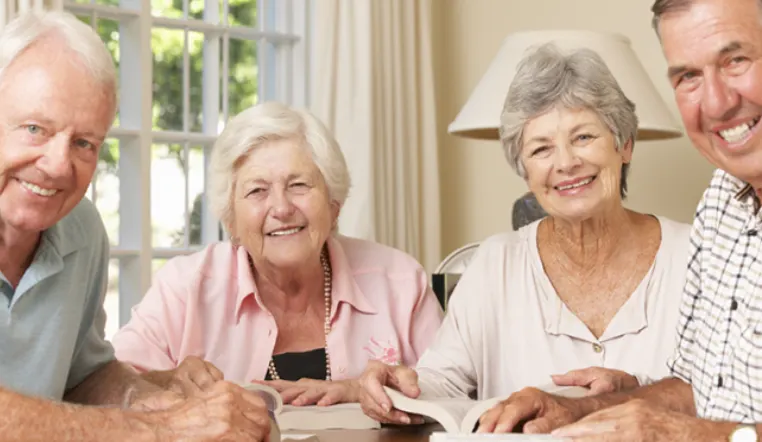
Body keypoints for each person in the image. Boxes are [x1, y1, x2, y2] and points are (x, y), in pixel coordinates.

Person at [354, 43, 693, 425]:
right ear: (524, 171)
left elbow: (738, 391)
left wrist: (634, 393)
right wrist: (400, 389)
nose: (566, 163)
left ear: (624, 145)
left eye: (584, 137)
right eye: (541, 149)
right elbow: (442, 382)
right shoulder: (496, 263)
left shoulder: (696, 255)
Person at [473, 0, 762, 440]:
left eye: (736, 60)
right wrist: (576, 409)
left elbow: (702, 427)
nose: (718, 103)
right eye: (688, 77)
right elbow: (695, 388)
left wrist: (699, 435)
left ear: (623, 145)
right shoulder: (721, 205)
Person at [0, 9, 271, 441]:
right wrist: (157, 428)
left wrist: (156, 396)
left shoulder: (82, 228)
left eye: (84, 143)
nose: (57, 165)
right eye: (35, 129)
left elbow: (83, 377)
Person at [111, 101, 444, 405]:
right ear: (231, 220)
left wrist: (363, 392)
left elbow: (454, 393)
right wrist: (167, 381)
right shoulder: (184, 288)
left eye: (299, 185)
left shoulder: (400, 282)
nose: (282, 208)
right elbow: (109, 387)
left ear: (334, 205)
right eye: (257, 190)